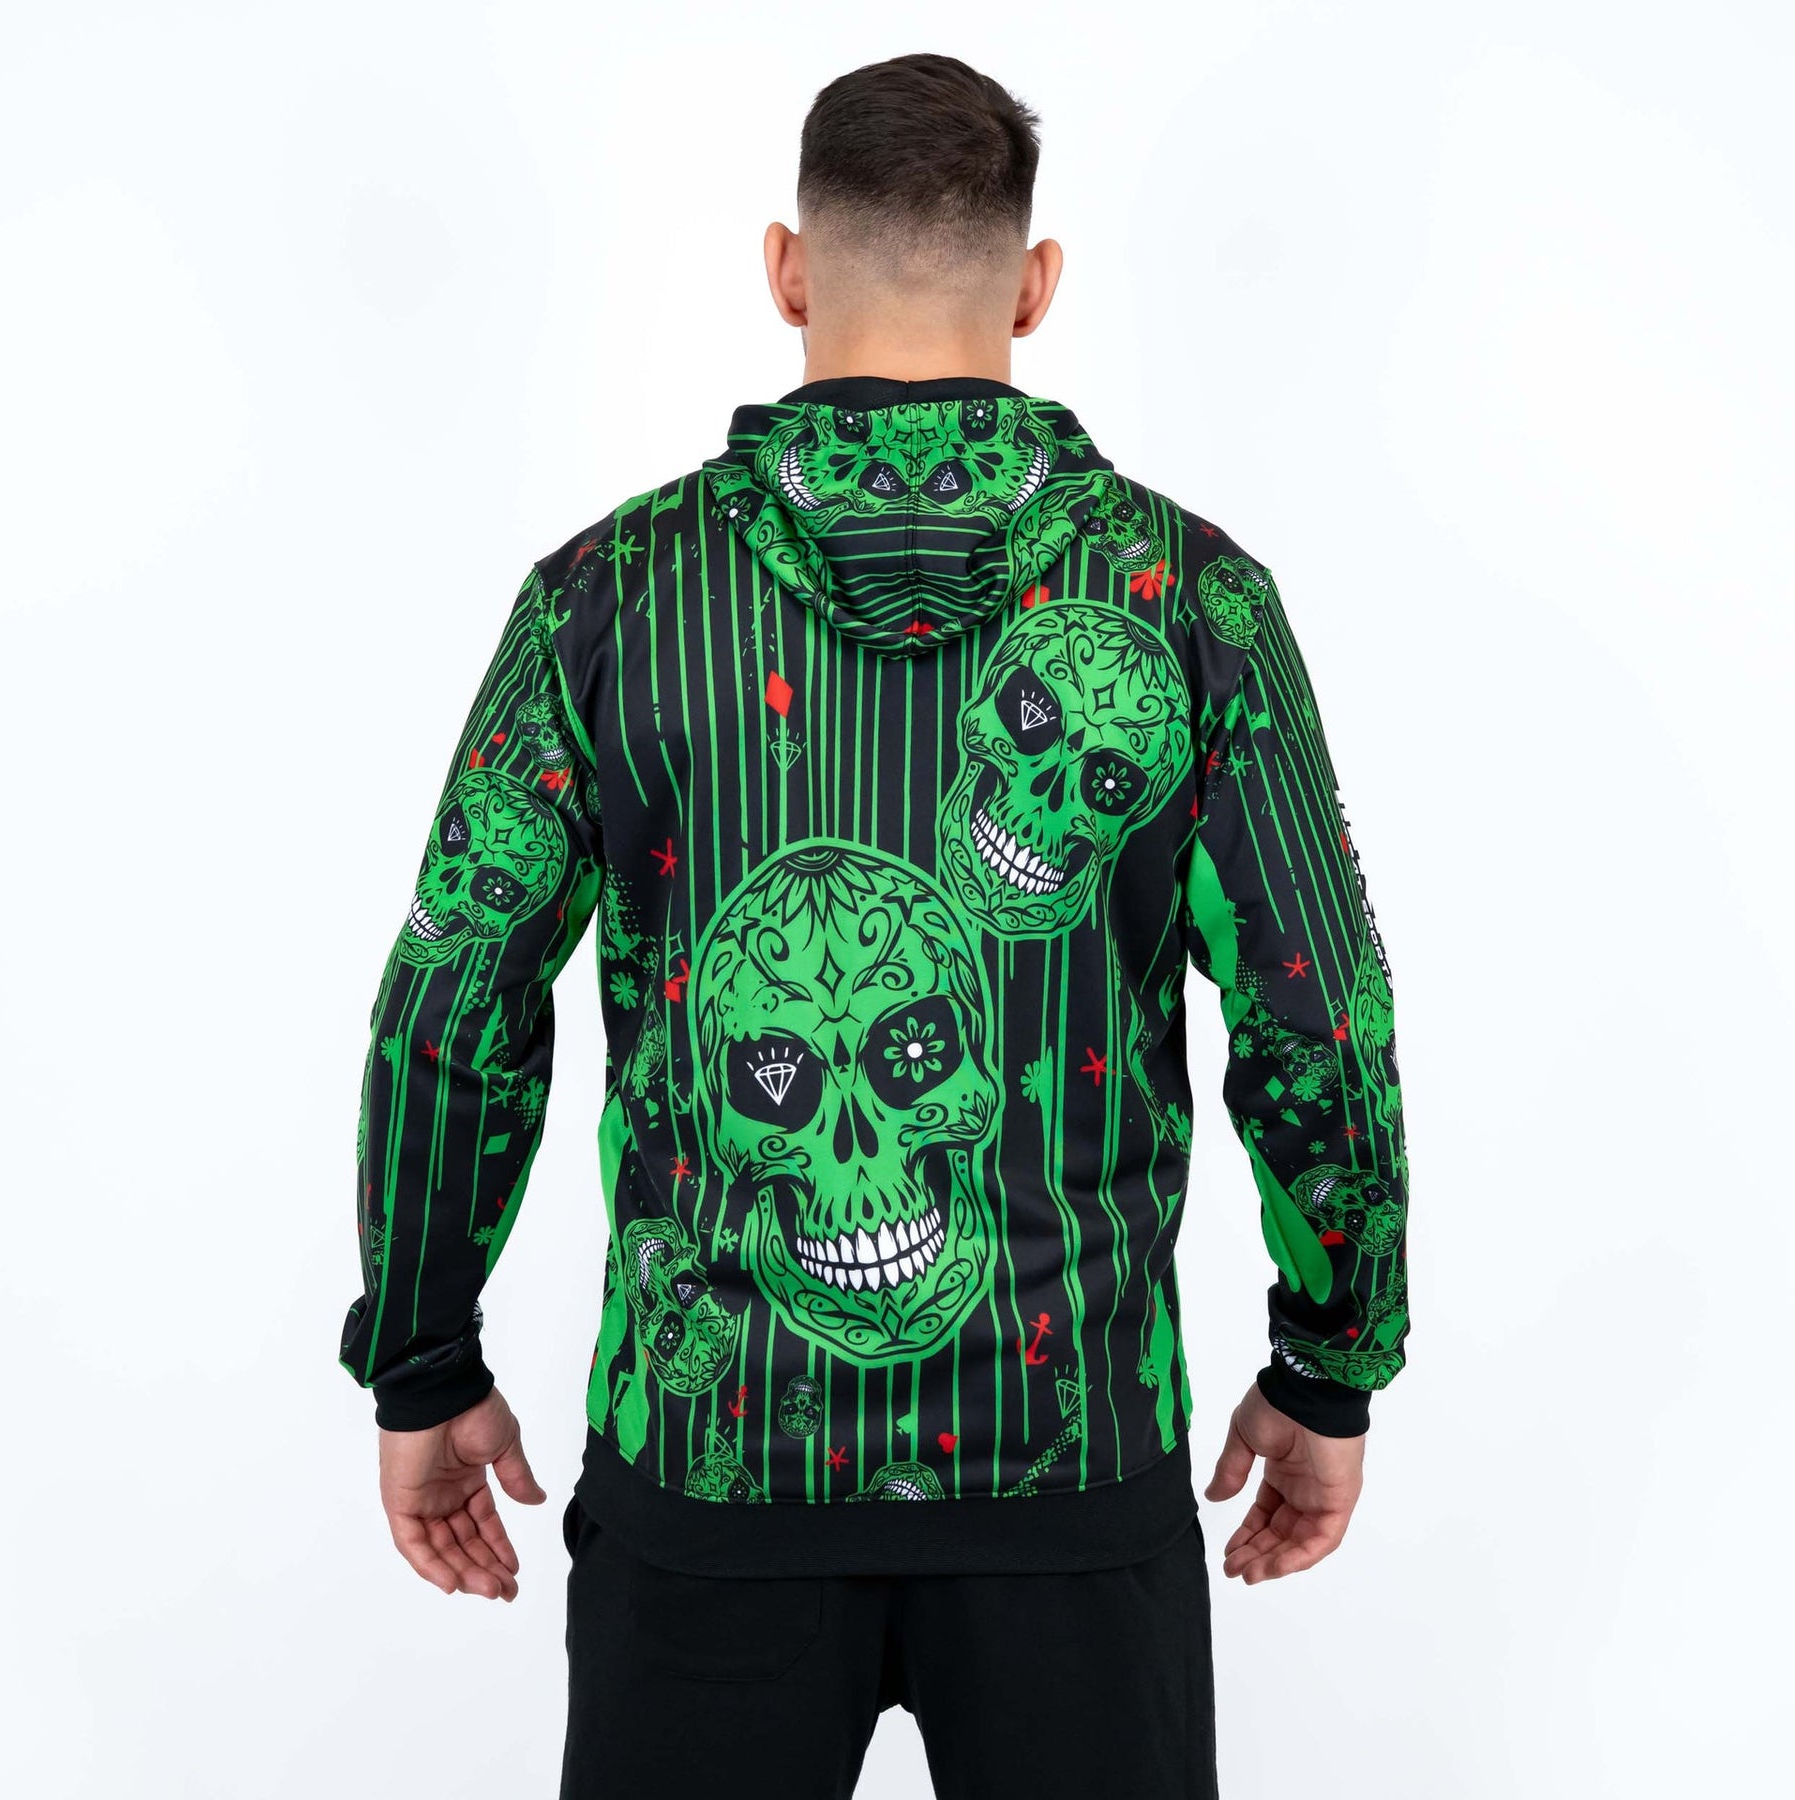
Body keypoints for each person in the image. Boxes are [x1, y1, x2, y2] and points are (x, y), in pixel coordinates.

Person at [339, 51, 1411, 1800]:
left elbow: (452, 1002)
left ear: (786, 272)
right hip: (1073, 1469)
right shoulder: (1196, 601)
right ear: (1035, 288)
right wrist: (1330, 1360)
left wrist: (421, 1356)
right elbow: (1321, 1011)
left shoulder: (607, 601)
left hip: (709, 1478)